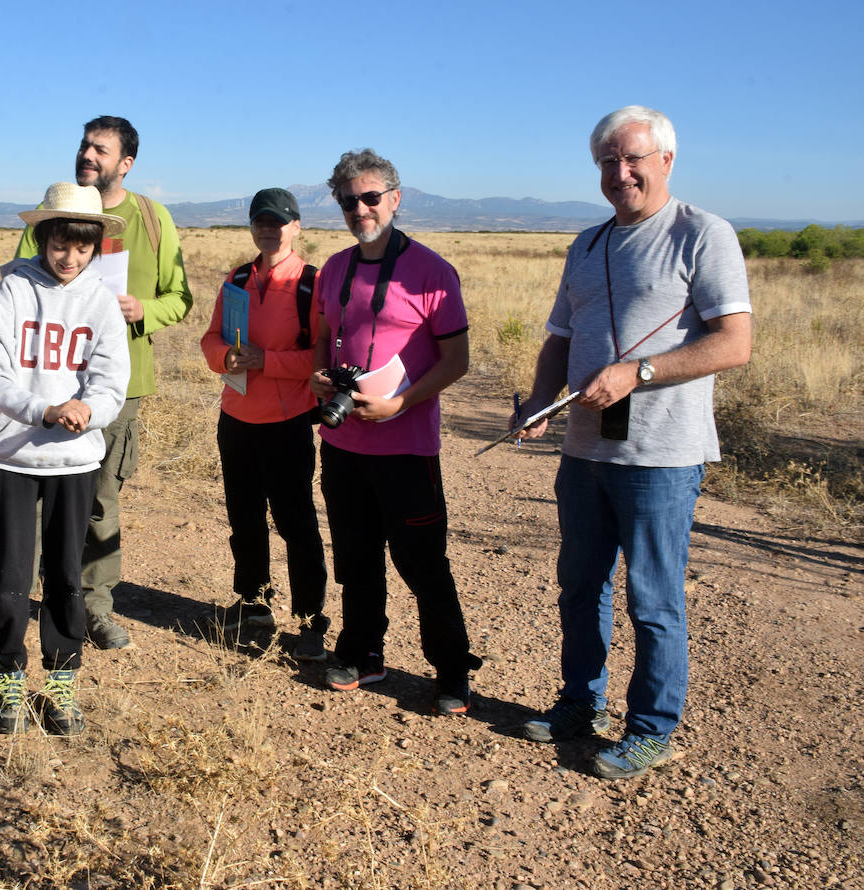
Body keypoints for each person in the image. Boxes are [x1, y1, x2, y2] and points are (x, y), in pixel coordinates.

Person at [513, 106, 752, 778]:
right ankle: (579, 705)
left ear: (666, 161)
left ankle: (650, 728)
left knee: (653, 599)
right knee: (580, 586)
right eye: (608, 163)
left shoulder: (703, 234)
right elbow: (560, 338)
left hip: (661, 456)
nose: (621, 174)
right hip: (585, 451)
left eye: (634, 159)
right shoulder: (586, 246)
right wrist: (537, 404)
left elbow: (735, 343)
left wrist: (638, 373)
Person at [0, 115, 192, 655]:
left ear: (125, 162)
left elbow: (179, 298)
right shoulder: (36, 251)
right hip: (32, 407)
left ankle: (93, 611)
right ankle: (5, 624)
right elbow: (16, 297)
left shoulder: (154, 220)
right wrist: (42, 406)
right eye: (84, 145)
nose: (89, 154)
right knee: (23, 530)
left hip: (110, 395)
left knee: (96, 505)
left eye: (101, 149)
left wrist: (143, 310)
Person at [309, 149, 482, 714]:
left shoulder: (433, 271)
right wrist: (318, 377)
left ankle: (453, 671)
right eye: (347, 200)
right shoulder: (334, 268)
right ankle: (363, 654)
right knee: (355, 555)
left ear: (395, 199)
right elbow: (324, 340)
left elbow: (456, 360)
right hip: (341, 444)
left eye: (369, 197)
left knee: (422, 562)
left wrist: (400, 403)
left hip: (405, 447)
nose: (359, 208)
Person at [0, 182, 130, 734]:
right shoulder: (13, 288)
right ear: (42, 238)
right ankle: (8, 671)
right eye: (60, 244)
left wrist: (89, 411)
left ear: (96, 248)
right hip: (14, 456)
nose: (69, 257)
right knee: (10, 571)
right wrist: (44, 409)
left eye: (82, 247)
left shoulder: (102, 302)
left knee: (66, 572)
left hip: (75, 460)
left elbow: (112, 380)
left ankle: (62, 678)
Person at [198, 188, 328, 660]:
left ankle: (311, 620)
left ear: (297, 226)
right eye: (261, 221)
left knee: (296, 523)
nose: (269, 229)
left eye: (279, 221)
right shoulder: (236, 279)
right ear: (251, 226)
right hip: (236, 419)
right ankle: (253, 603)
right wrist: (224, 356)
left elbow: (321, 358)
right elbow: (210, 338)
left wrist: (264, 360)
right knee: (245, 519)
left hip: (287, 424)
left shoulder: (312, 284)